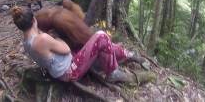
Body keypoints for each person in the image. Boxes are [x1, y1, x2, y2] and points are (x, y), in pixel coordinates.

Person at [11, 6, 141, 82]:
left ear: (20, 27)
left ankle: (126, 54)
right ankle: (112, 72)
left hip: (58, 71)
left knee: (87, 43)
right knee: (101, 36)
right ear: (34, 20)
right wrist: (56, 37)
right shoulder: (43, 38)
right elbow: (66, 49)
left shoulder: (26, 43)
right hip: (70, 72)